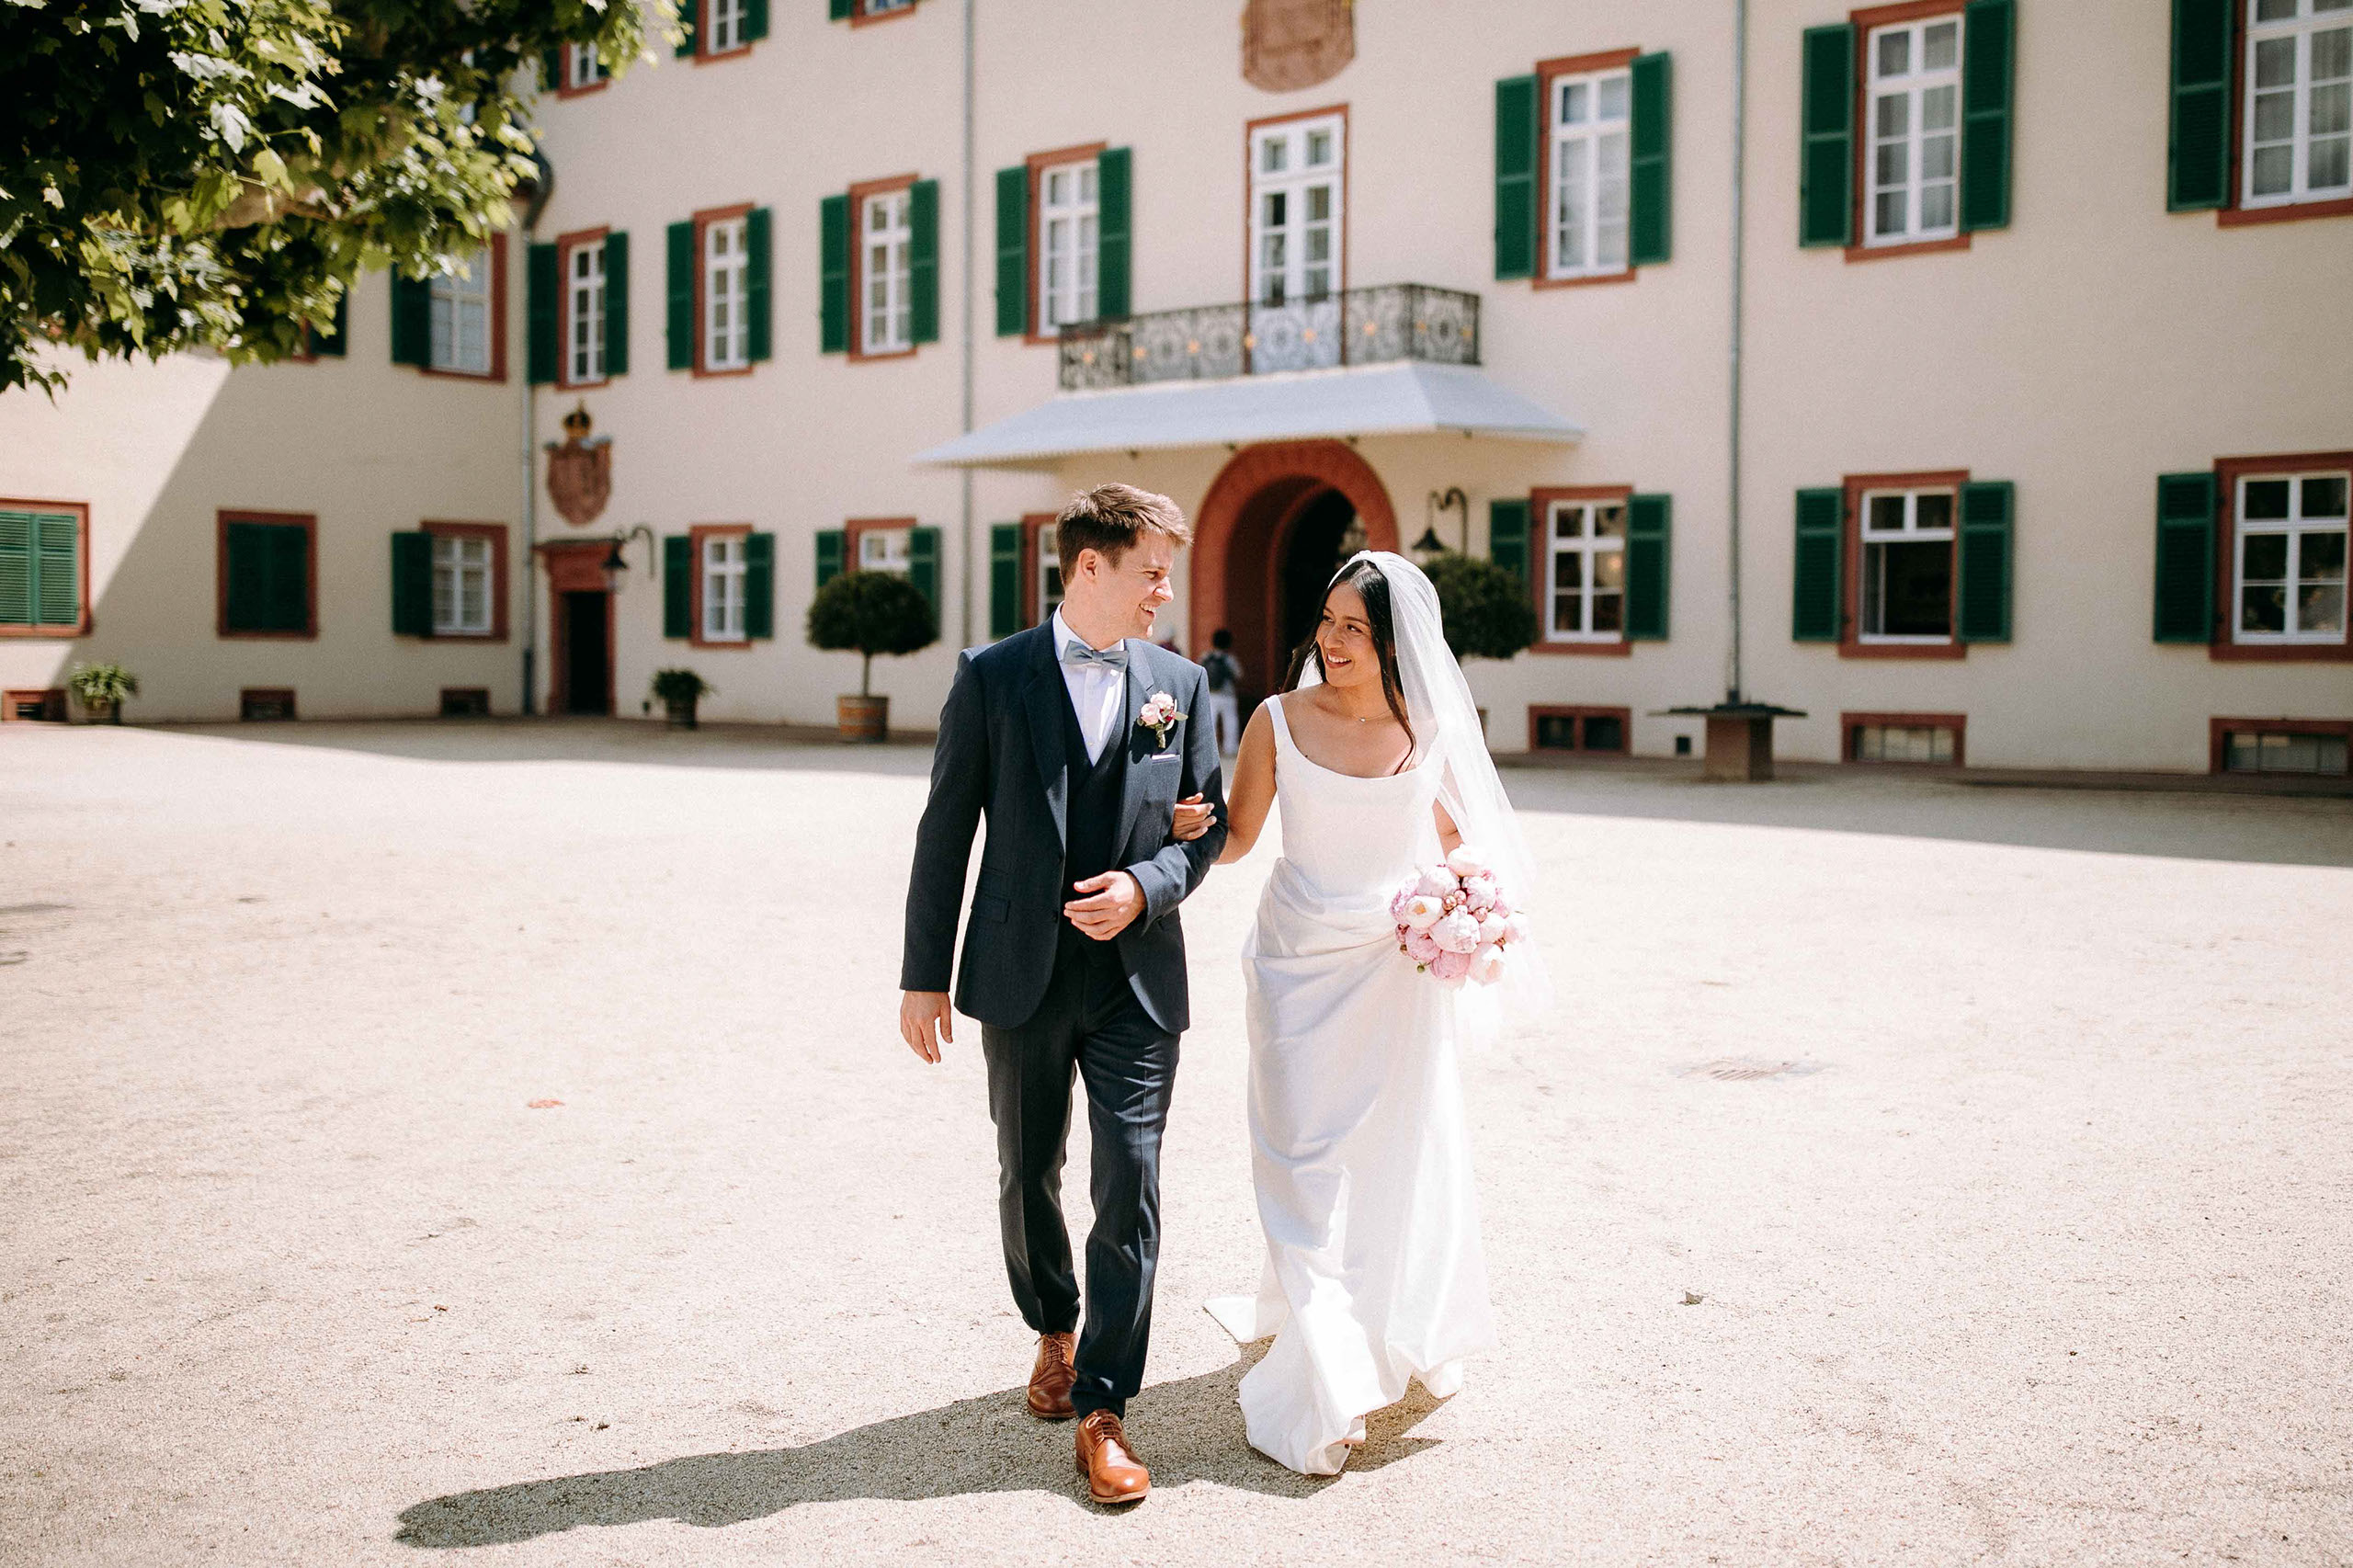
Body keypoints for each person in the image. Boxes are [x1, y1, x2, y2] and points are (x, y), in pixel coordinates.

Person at [1172, 551, 1547, 1476]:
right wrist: (1178, 827)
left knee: (1387, 1156)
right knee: (1297, 1159)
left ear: (1394, 645)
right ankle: (1329, 1364)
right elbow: (1240, 837)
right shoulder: (1275, 718)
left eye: (1357, 629)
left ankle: (1360, 1344)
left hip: (1393, 969)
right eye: (1328, 621)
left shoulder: (1431, 730)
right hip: (1295, 963)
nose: (1333, 642)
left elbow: (1462, 843)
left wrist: (1464, 908)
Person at [898, 483, 1228, 1507]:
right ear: (1091, 565)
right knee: (1027, 1168)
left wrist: (1145, 885)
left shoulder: (1181, 683)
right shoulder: (991, 676)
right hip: (1019, 972)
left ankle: (1103, 1406)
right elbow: (945, 829)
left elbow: (1205, 826)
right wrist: (923, 974)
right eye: (1151, 572)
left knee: (1129, 1180)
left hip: (1137, 977)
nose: (1165, 591)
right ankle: (1053, 1323)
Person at [1199, 630, 1243, 757]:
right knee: (1230, 721)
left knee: (1210, 721)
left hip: (1211, 693)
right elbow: (1238, 674)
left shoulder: (1206, 657)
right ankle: (1230, 748)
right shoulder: (1229, 659)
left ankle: (1209, 749)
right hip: (1227, 694)